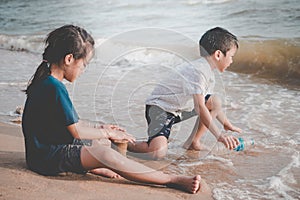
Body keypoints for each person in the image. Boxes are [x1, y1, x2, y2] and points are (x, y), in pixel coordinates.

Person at [21, 25, 201, 194]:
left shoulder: (47, 81)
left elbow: (68, 123)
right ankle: (170, 179)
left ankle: (97, 165)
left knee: (101, 143)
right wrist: (106, 132)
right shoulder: (54, 87)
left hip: (44, 150)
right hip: (46, 158)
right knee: (105, 152)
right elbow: (75, 131)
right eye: (84, 64)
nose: (84, 70)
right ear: (69, 59)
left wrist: (102, 129)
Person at [128, 27, 242, 160]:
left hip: (179, 109)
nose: (231, 61)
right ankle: (124, 143)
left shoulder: (208, 72)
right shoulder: (199, 71)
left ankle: (194, 142)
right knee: (157, 153)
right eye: (231, 57)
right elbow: (199, 107)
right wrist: (219, 136)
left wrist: (226, 123)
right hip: (160, 109)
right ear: (218, 54)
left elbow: (209, 102)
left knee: (214, 100)